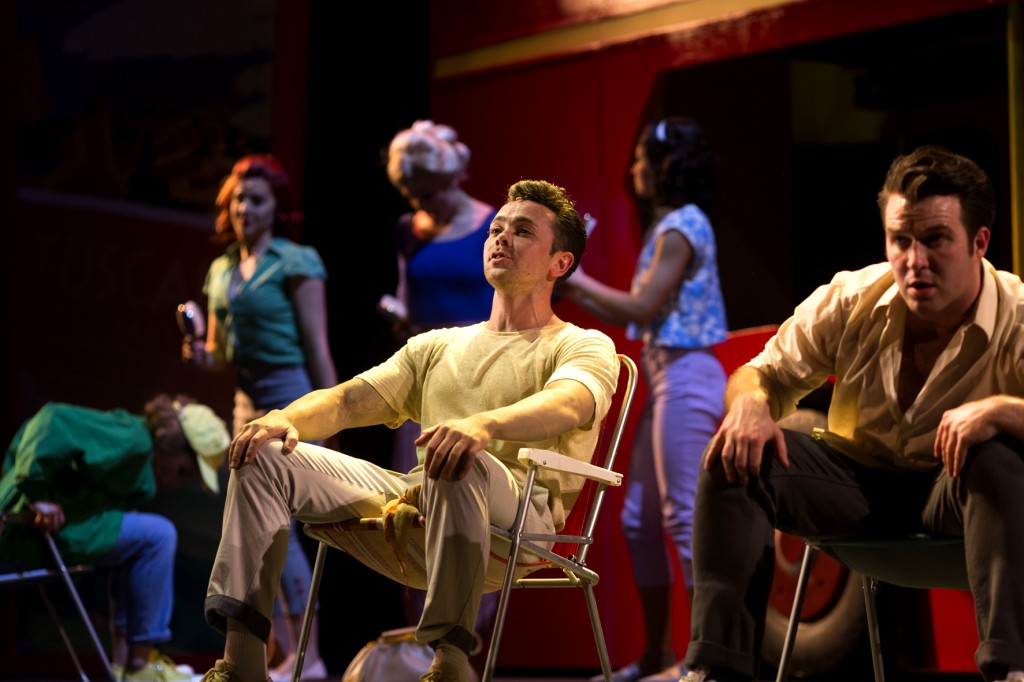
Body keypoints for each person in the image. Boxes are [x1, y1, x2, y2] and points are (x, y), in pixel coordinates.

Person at [198, 179, 621, 682]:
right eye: (496, 229)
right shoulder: (437, 346)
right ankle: (243, 663)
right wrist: (285, 418)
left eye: (522, 231)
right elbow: (349, 399)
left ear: (560, 264)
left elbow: (571, 401)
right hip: (422, 497)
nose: (500, 239)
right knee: (263, 452)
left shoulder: (580, 343)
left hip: (520, 523)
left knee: (454, 454)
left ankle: (450, 664)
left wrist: (481, 426)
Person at [682, 145, 1024, 682]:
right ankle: (715, 670)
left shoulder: (1018, 316)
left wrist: (1004, 410)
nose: (914, 261)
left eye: (935, 240)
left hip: (957, 491)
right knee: (733, 452)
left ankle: (1010, 672)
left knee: (1000, 453)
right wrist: (749, 403)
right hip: (859, 488)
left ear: (979, 242)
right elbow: (761, 373)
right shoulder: (851, 298)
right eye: (900, 241)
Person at [558, 115, 728, 682]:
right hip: (666, 377)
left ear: (663, 166)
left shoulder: (682, 224)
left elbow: (641, 307)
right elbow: (634, 311)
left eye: (639, 160)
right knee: (639, 522)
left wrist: (567, 274)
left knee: (683, 518)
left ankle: (706, 659)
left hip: (688, 374)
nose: (632, 171)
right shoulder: (672, 224)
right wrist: (571, 280)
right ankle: (659, 655)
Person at [182, 154, 337, 682]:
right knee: (255, 526)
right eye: (239, 199)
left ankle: (307, 654)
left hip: (292, 393)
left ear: (277, 208)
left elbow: (317, 345)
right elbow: (217, 352)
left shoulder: (297, 261)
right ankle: (282, 653)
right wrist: (199, 353)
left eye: (258, 199)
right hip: (246, 403)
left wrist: (332, 409)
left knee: (286, 528)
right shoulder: (222, 269)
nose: (247, 207)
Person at [0, 394, 231, 682]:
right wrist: (37, 493)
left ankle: (126, 665)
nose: (175, 482)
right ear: (170, 443)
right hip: (29, 531)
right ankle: (140, 664)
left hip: (57, 532)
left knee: (138, 540)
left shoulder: (140, 462)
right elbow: (52, 419)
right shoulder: (132, 438)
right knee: (158, 535)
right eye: (183, 471)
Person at [383, 119, 499, 648]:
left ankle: (464, 652)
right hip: (422, 379)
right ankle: (422, 648)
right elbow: (409, 295)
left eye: (425, 190)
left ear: (449, 176)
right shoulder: (410, 228)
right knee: (409, 513)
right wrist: (399, 316)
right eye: (410, 192)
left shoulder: (492, 225)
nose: (419, 201)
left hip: (483, 378)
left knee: (480, 525)